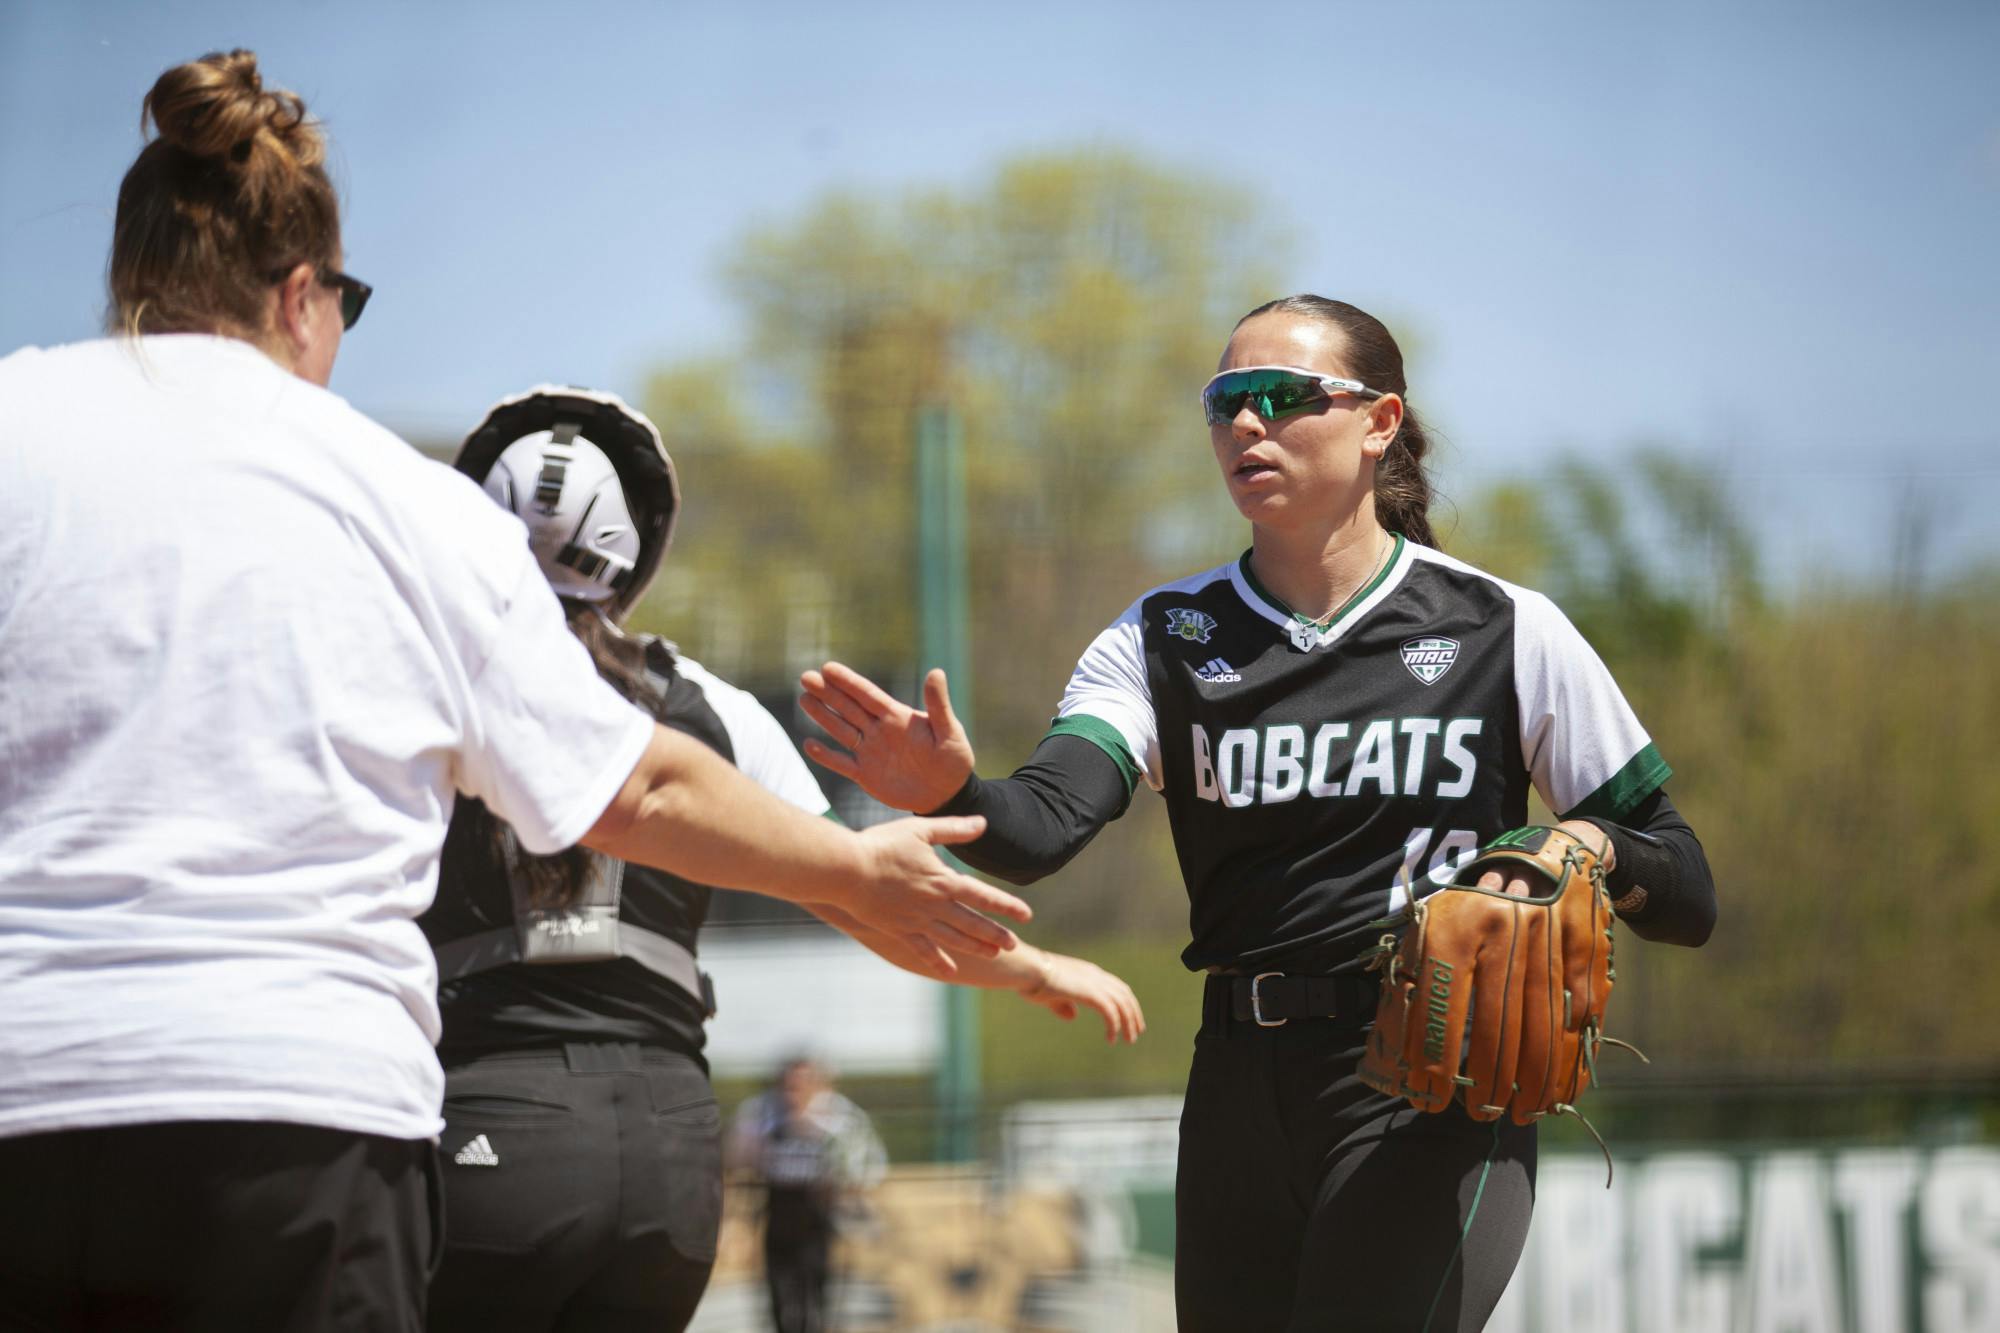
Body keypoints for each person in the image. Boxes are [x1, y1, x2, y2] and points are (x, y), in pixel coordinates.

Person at [0, 50, 1035, 1333]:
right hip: (300, 1114)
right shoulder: (400, 502)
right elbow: (635, 783)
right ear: (304, 294)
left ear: (128, 274)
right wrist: (851, 868)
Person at [799, 294, 1718, 1331]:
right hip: (1237, 1086)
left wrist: (1586, 838)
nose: (1245, 424)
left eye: (1281, 398)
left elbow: (1684, 886)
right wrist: (953, 794)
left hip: (1427, 1080)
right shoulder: (1163, 635)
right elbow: (1045, 824)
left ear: (1378, 422)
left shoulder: (1502, 629)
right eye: (1224, 401)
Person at [421, 387, 1144, 1332]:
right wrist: (1033, 967)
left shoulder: (420, 681)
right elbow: (875, 899)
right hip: (665, 1147)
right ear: (637, 541)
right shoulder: (707, 707)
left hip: (491, 1119)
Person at [727, 1056, 888, 1333]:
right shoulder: (761, 1114)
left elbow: (867, 1167)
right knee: (778, 1292)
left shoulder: (841, 1119)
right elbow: (736, 1161)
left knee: (815, 1290)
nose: (795, 1091)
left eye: (802, 1084)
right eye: (789, 1085)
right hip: (778, 1213)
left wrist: (848, 1194)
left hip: (817, 1215)